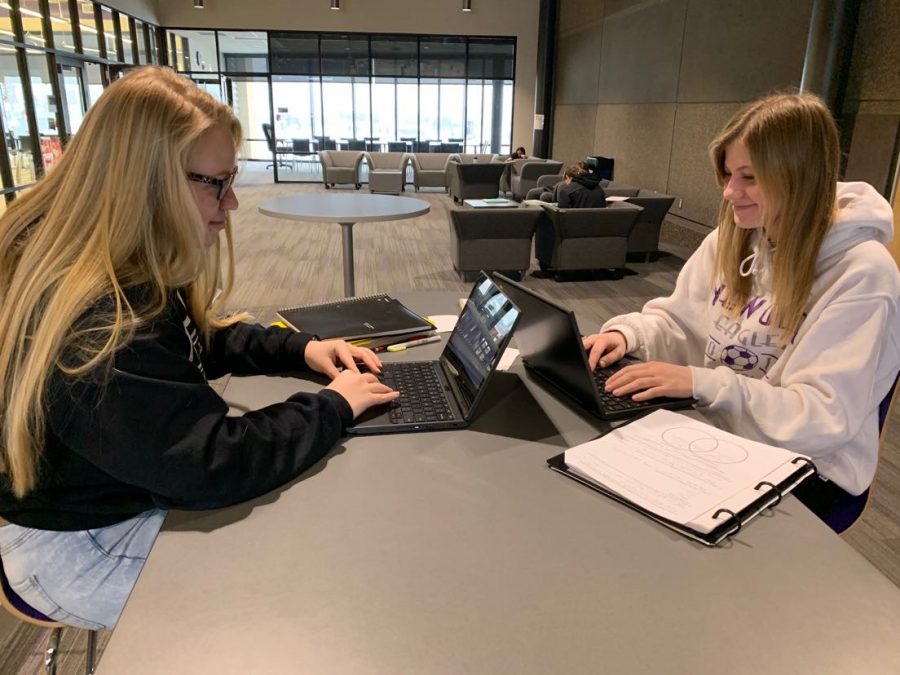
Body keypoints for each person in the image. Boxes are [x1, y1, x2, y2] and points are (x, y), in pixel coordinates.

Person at [0, 66, 399, 630]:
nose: (231, 202)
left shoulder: (123, 262)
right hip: (81, 546)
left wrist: (301, 351)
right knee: (313, 584)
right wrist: (333, 405)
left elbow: (196, 338)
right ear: (145, 180)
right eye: (215, 182)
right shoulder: (100, 319)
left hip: (119, 498)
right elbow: (211, 463)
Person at [583, 92, 900, 529]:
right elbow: (677, 322)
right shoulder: (735, 237)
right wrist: (628, 336)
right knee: (598, 476)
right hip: (718, 430)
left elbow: (823, 419)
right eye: (730, 174)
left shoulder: (863, 273)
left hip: (810, 470)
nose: (731, 192)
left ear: (800, 176)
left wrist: (703, 383)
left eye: (749, 177)